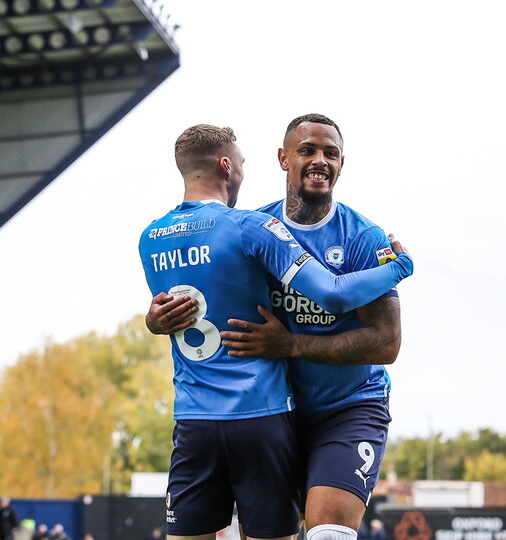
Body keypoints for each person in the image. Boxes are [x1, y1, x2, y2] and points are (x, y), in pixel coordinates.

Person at [137, 124, 413, 539]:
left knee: (328, 532)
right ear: (283, 159)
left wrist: (290, 344)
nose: (320, 160)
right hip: (275, 411)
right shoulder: (253, 226)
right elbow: (203, 296)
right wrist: (155, 320)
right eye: (307, 150)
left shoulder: (363, 237)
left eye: (331, 153)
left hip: (346, 407)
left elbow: (387, 344)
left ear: (341, 164)